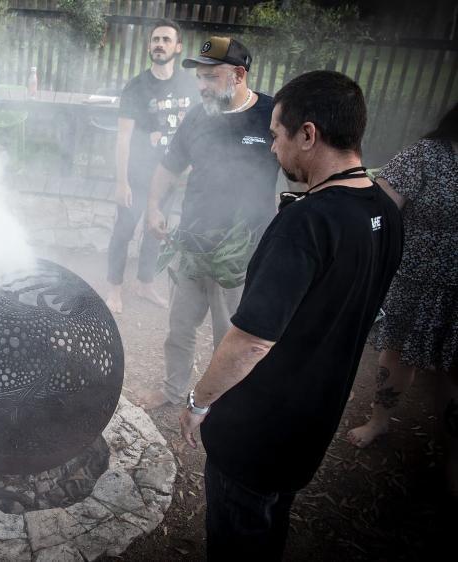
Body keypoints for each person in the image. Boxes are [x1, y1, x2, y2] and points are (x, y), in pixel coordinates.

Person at [179, 70, 403, 559]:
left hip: (255, 434)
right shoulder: (385, 213)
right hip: (311, 427)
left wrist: (199, 401)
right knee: (269, 528)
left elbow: (251, 341)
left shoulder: (306, 223)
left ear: (308, 134)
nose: (273, 148)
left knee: (238, 539)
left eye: (278, 135)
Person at [138, 36, 279, 409]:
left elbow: (302, 169)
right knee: (180, 328)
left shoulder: (272, 115)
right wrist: (153, 206)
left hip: (241, 252)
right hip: (192, 242)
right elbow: (170, 166)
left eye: (210, 77)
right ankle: (172, 392)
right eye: (198, 77)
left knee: (230, 335)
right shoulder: (198, 116)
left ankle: (225, 403)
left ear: (238, 74)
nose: (200, 86)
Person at [346, 103, 458, 491]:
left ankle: (452, 448)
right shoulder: (427, 156)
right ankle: (380, 419)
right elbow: (380, 211)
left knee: (451, 369)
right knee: (397, 352)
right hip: (415, 281)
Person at [106, 18, 198, 313]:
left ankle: (145, 284)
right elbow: (123, 138)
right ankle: (114, 289)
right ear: (149, 46)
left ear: (178, 47)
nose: (159, 44)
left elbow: (196, 130)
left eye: (166, 40)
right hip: (137, 176)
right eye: (156, 39)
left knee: (155, 232)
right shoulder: (136, 87)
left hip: (169, 177)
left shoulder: (189, 84)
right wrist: (121, 182)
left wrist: (192, 168)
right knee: (124, 231)